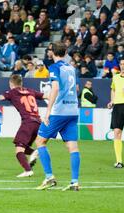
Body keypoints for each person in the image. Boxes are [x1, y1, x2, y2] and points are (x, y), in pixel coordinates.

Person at [35, 42, 81, 191]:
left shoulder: (54, 67)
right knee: (72, 146)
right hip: (73, 110)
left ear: (51, 52)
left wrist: (48, 111)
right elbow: (76, 88)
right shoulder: (71, 68)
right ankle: (74, 182)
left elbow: (55, 87)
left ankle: (49, 177)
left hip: (59, 112)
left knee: (40, 141)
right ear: (66, 52)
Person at [0, 74, 47, 177]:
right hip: (38, 123)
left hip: (28, 123)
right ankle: (35, 152)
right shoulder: (31, 91)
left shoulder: (12, 92)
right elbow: (46, 96)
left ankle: (28, 170)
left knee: (19, 149)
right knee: (24, 147)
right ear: (21, 83)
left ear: (11, 84)